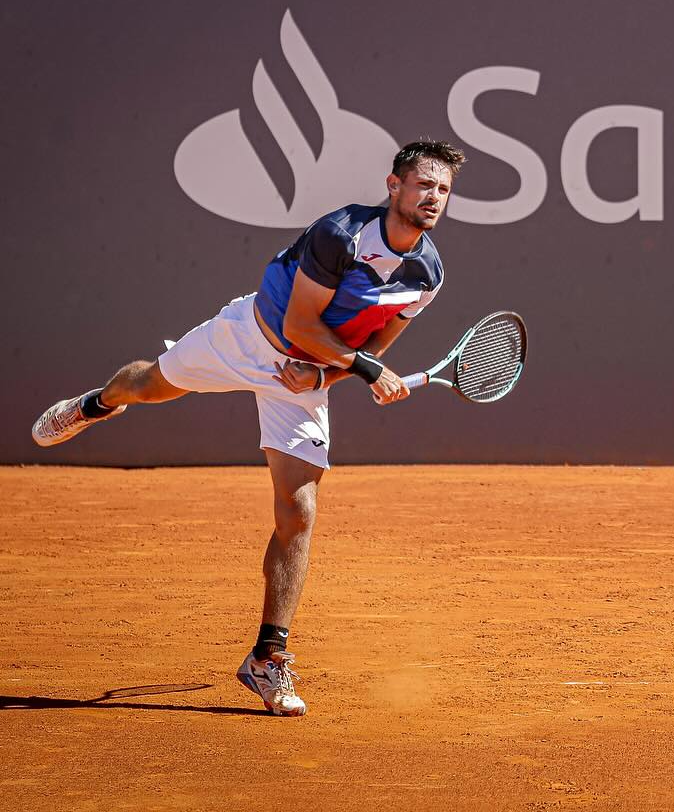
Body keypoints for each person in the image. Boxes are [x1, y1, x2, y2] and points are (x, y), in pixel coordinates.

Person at [30, 140, 464, 717]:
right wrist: (364, 371)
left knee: (299, 508)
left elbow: (375, 342)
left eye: (443, 190)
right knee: (149, 385)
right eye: (423, 185)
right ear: (393, 186)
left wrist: (325, 379)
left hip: (304, 376)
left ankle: (267, 656)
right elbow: (302, 324)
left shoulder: (427, 272)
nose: (434, 197)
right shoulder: (339, 235)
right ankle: (96, 403)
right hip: (248, 337)